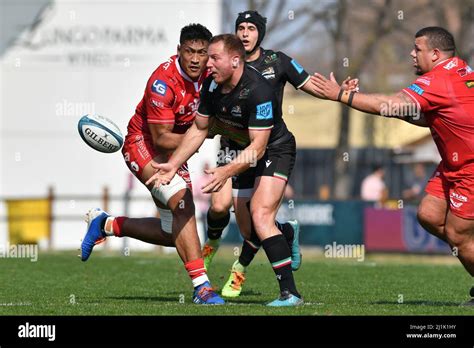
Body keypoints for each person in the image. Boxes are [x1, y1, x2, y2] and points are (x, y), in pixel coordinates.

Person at [201, 10, 358, 298]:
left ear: (260, 33)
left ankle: (246, 272)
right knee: (229, 213)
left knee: (259, 221)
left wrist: (340, 93)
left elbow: (312, 84)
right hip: (233, 148)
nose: (245, 33)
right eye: (240, 28)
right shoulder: (219, 68)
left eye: (251, 28)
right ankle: (283, 232)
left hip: (268, 146)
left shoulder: (277, 62)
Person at [311, 26, 474, 305]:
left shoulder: (437, 80)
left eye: (417, 49)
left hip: (469, 168)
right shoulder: (461, 69)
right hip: (452, 165)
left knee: (458, 234)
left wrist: (342, 95)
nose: (412, 54)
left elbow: (391, 103)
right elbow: (428, 116)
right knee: (429, 214)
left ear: (435, 54)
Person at [147, 34, 303, 306]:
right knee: (249, 230)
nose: (207, 63)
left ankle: (290, 294)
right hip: (241, 152)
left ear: (235, 60)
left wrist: (225, 171)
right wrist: (173, 164)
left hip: (274, 150)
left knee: (261, 215)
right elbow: (199, 129)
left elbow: (258, 147)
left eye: (214, 57)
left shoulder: (259, 90)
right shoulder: (211, 85)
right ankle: (286, 233)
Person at [80, 24, 225, 305]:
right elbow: (161, 139)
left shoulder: (211, 75)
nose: (195, 59)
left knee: (175, 235)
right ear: (179, 51)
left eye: (201, 53)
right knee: (184, 205)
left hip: (176, 149)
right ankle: (203, 288)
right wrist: (205, 134)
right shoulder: (163, 81)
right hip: (142, 144)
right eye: (189, 52)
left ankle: (107, 224)